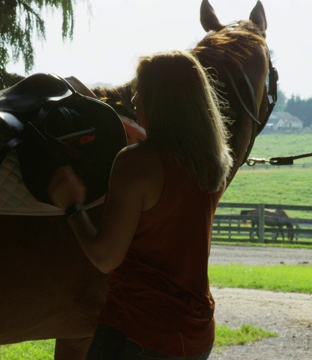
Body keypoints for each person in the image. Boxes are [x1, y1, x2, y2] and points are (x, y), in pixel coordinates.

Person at [47, 50, 233, 359]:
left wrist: (72, 205)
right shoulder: (214, 164)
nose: (134, 102)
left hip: (139, 331)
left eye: (141, 93)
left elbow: (105, 257)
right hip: (196, 332)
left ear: (162, 102)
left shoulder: (137, 163)